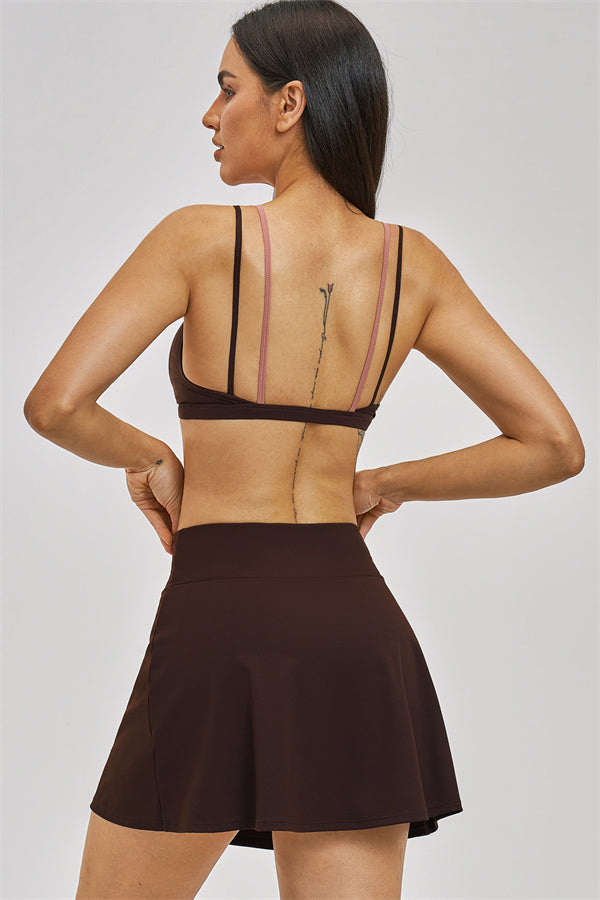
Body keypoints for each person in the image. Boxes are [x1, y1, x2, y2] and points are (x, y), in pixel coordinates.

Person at [23, 1, 585, 897]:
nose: (210, 114)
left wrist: (153, 459)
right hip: (355, 634)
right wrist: (382, 483)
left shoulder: (200, 240)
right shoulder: (413, 265)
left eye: (227, 88)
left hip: (218, 622)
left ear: (290, 103)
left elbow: (56, 405)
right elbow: (553, 446)